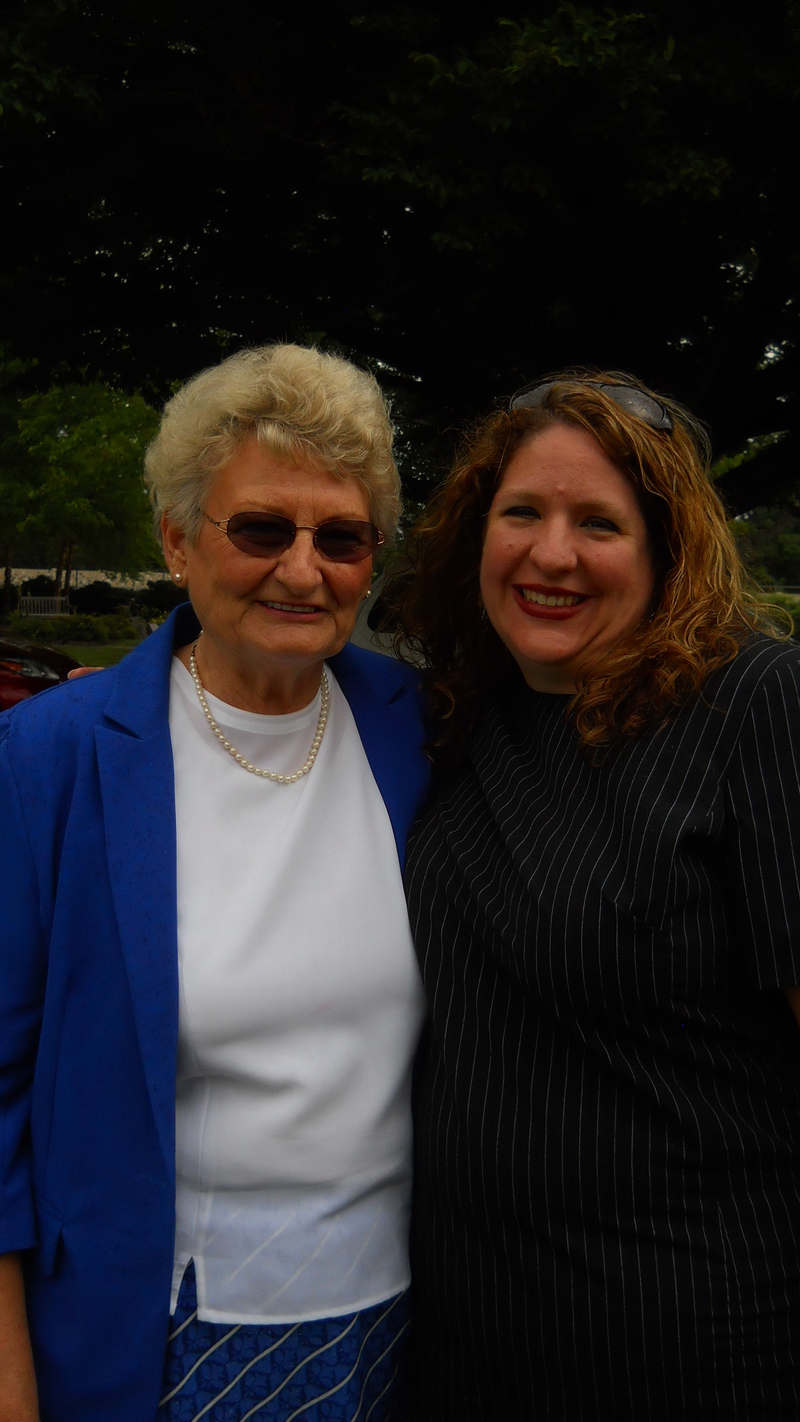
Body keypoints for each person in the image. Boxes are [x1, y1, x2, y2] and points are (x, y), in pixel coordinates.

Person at [0, 344, 430, 1422]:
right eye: (259, 530)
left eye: (340, 538)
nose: (302, 568)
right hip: (168, 1331)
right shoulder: (51, 755)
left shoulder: (421, 729)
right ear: (177, 542)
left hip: (410, 1319)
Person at [390, 371, 800, 1420]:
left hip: (688, 1353)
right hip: (460, 1351)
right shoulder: (453, 713)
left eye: (598, 523)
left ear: (666, 548)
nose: (550, 554)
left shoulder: (753, 704)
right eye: (520, 512)